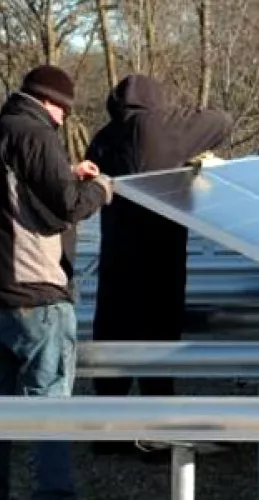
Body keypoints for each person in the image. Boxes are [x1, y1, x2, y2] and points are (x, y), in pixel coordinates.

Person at [85, 74, 233, 454]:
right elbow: (221, 121)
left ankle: (106, 433)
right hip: (159, 253)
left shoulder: (104, 137)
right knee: (156, 342)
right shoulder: (163, 126)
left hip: (117, 252)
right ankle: (154, 430)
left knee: (113, 338)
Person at [0, 65, 113, 499]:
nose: (64, 117)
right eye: (63, 109)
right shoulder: (35, 133)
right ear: (49, 102)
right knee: (50, 411)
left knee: (4, 417)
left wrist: (65, 169)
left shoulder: (7, 130)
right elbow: (65, 205)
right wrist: (100, 190)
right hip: (37, 294)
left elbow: (19, 194)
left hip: (3, 296)